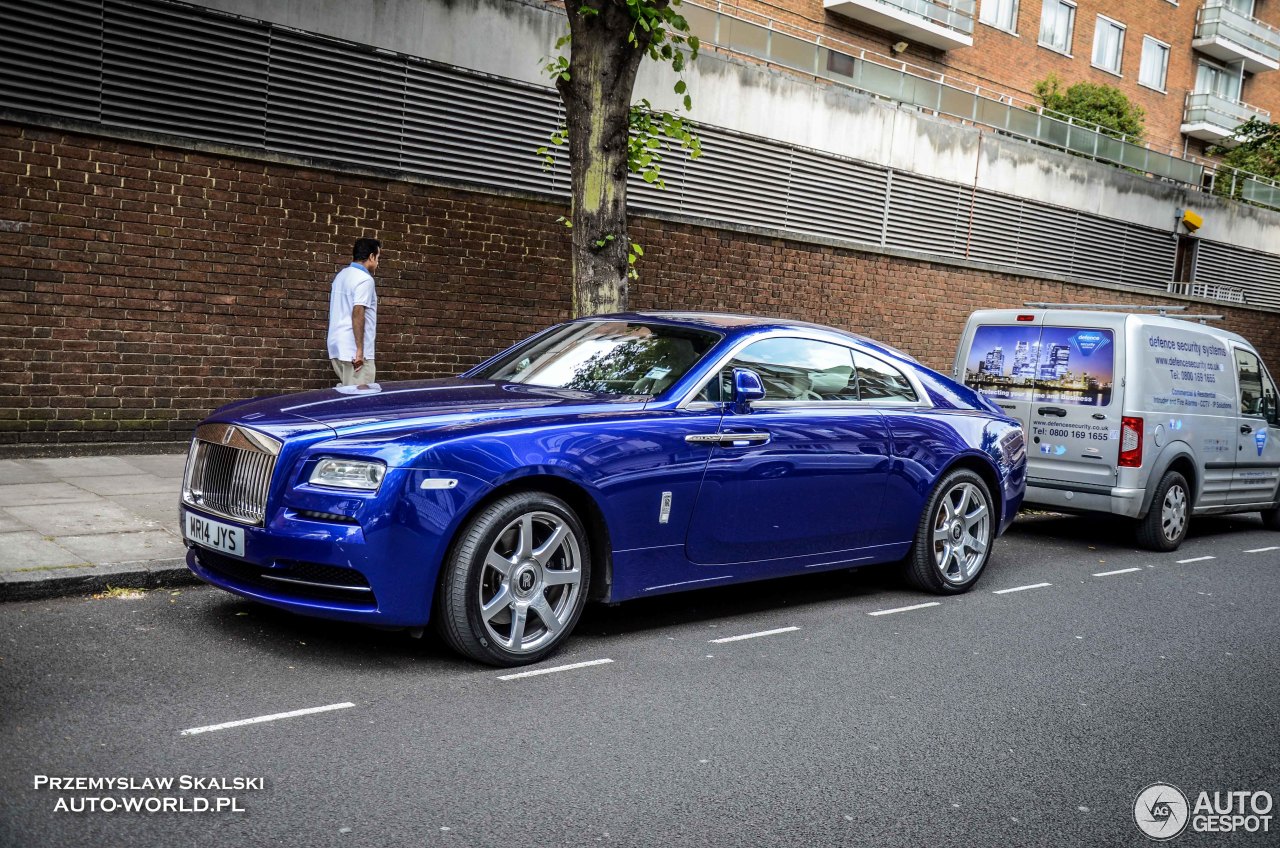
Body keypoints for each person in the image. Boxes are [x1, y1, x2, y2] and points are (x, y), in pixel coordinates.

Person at [327, 238, 380, 386]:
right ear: (371, 256)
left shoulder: (341, 276)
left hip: (337, 347)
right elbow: (358, 312)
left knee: (347, 396)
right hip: (354, 353)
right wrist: (360, 351)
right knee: (362, 401)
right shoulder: (365, 280)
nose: (378, 262)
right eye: (378, 257)